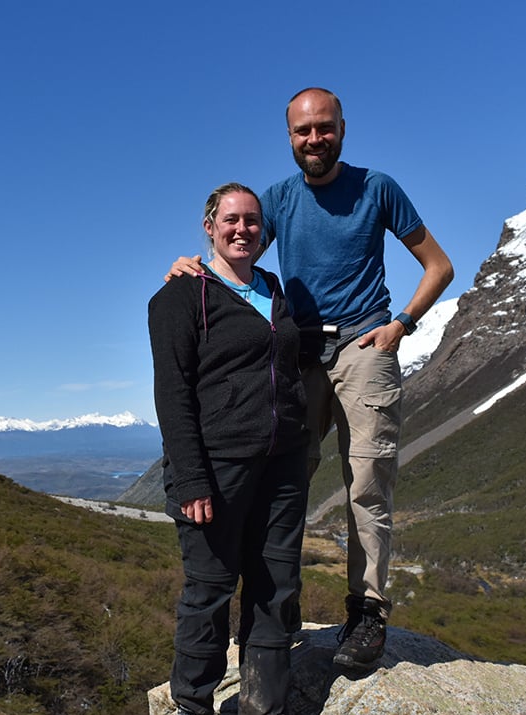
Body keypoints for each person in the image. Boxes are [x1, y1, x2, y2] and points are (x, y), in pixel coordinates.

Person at [169, 88, 454, 673]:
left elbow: (439, 265)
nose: (314, 140)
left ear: (342, 129)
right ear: (290, 138)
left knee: (367, 481)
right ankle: (280, 606)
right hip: (298, 352)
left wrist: (402, 324)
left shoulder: (378, 188)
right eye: (303, 132)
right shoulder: (277, 199)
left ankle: (367, 612)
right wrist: (190, 268)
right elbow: (238, 253)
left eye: (324, 128)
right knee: (284, 481)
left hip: (364, 345)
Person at [149, 183, 324, 715]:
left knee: (276, 585)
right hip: (216, 470)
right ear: (209, 227)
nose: (242, 229)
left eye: (252, 221)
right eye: (231, 220)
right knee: (210, 588)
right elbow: (172, 396)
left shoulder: (277, 291)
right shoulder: (179, 297)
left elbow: (293, 363)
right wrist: (192, 479)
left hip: (282, 465)